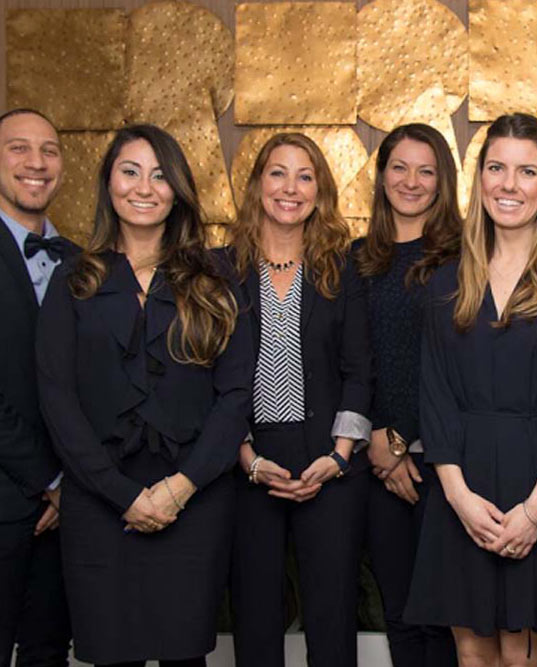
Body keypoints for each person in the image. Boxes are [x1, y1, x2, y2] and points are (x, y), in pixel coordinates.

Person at [35, 124, 253, 666]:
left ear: (177, 189)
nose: (144, 187)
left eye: (160, 176)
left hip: (195, 503)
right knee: (112, 654)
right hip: (100, 506)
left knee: (185, 654)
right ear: (108, 182)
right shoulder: (72, 282)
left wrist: (178, 490)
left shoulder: (215, 283)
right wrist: (123, 496)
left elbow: (234, 399)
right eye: (130, 171)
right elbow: (57, 402)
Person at [403, 113, 537, 667]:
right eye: (496, 168)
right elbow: (434, 396)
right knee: (472, 656)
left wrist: (536, 511)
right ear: (480, 178)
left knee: (522, 656)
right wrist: (459, 499)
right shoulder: (445, 279)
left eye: (526, 171)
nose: (509, 185)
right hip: (461, 487)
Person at [227, 132, 372, 667]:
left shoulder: (342, 269)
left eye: (305, 176)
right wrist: (248, 459)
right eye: (278, 173)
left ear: (320, 191)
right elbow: (212, 378)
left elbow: (359, 373)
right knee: (256, 619)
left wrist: (337, 458)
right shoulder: (224, 270)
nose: (291, 188)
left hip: (328, 466)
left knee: (332, 621)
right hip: (247, 464)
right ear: (257, 184)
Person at [354, 123, 461, 667]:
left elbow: (460, 364)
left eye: (426, 170)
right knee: (397, 611)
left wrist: (407, 440)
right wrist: (379, 438)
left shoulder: (465, 256)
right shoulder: (356, 259)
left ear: (443, 180)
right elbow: (350, 361)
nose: (412, 181)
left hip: (446, 465)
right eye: (399, 167)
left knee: (439, 618)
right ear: (382, 176)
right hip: (374, 461)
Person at [0, 108, 72, 667]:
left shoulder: (79, 260)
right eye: (19, 148)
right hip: (10, 493)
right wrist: (46, 479)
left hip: (67, 504)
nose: (36, 163)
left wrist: (69, 482)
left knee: (49, 650)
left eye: (49, 150)